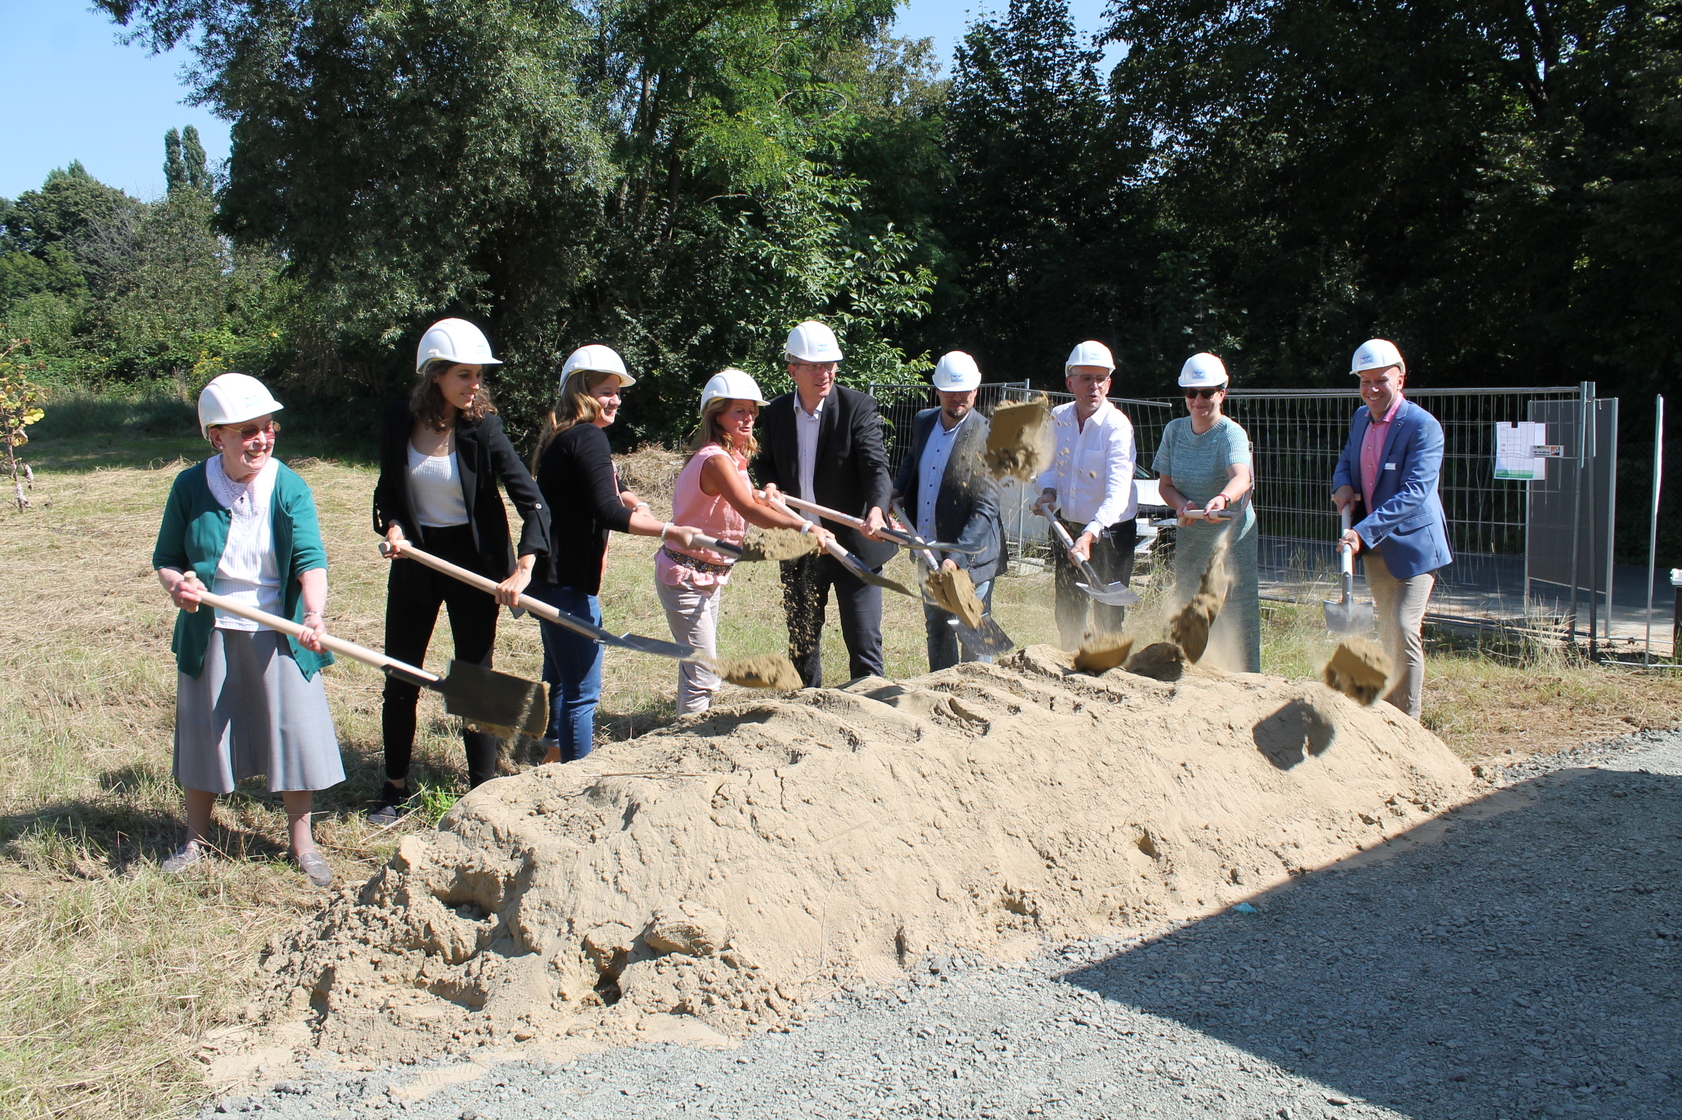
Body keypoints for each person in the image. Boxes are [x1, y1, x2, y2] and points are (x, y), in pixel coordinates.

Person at [151, 373, 342, 886]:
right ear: (217, 437)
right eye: (246, 431)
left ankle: (302, 844)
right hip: (209, 627)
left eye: (267, 427)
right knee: (204, 736)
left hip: (277, 627)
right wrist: (178, 586)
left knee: (294, 733)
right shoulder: (190, 486)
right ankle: (196, 838)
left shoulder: (288, 485)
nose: (261, 439)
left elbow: (310, 558)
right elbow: (167, 558)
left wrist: (312, 615)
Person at [369, 318, 549, 822]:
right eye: (464, 375)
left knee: (475, 677)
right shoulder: (395, 421)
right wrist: (395, 528)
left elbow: (531, 502)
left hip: (475, 566)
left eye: (478, 376)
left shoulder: (482, 428)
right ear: (434, 376)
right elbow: (388, 493)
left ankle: (481, 790)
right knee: (400, 674)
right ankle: (393, 787)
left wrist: (524, 566)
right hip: (417, 561)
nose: (475, 386)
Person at [529, 344, 702, 760]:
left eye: (618, 391)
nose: (616, 399)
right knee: (582, 692)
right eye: (606, 390)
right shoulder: (588, 437)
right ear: (580, 391)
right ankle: (576, 779)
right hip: (568, 582)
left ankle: (551, 749)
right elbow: (604, 509)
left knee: (558, 672)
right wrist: (668, 530)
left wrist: (632, 498)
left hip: (548, 579)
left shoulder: (561, 436)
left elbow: (605, 487)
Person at [657, 369, 835, 713]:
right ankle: (688, 744)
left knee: (697, 664)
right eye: (738, 411)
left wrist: (765, 492)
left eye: (752, 410)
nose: (749, 418)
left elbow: (749, 498)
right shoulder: (715, 459)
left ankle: (686, 729)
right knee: (703, 672)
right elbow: (749, 511)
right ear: (716, 414)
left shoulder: (732, 459)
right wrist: (804, 529)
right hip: (686, 578)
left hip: (708, 573)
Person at [754, 320, 895, 687]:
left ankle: (869, 712)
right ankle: (804, 715)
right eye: (815, 366)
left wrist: (877, 509)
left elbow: (875, 465)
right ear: (793, 370)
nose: (825, 373)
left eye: (830, 365)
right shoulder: (775, 413)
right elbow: (765, 461)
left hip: (853, 544)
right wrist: (769, 483)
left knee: (864, 640)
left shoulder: (856, 407)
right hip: (800, 541)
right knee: (803, 639)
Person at [1332, 339, 1452, 718]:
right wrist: (1342, 485)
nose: (1372, 389)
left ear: (1400, 378)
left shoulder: (1422, 426)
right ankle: (1386, 713)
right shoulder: (1360, 418)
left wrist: (1362, 532)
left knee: (1402, 628)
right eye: (1364, 381)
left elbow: (1416, 492)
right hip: (1375, 547)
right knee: (1387, 631)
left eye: (1380, 380)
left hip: (1414, 545)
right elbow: (1347, 458)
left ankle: (1410, 725)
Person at [891, 351, 1003, 671]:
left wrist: (957, 557)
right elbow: (913, 459)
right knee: (937, 627)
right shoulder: (924, 420)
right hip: (929, 547)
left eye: (965, 391)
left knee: (973, 628)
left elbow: (986, 508)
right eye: (950, 391)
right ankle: (938, 690)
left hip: (970, 555)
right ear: (937, 390)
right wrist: (897, 489)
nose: (958, 398)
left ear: (976, 391)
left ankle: (980, 691)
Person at [1153, 353, 1261, 672]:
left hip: (1231, 538)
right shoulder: (1174, 431)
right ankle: (1196, 677)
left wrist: (1222, 499)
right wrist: (1182, 505)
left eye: (1207, 393)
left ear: (1222, 393)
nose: (1198, 400)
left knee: (1236, 615)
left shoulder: (1230, 434)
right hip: (1193, 536)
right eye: (1191, 393)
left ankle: (1246, 682)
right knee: (1192, 611)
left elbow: (1242, 476)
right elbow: (1165, 485)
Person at [1034, 340, 1140, 648]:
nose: (1094, 386)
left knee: (1108, 615)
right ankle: (1070, 663)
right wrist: (1050, 492)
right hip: (1069, 528)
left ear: (1109, 383)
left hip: (1111, 533)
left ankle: (1106, 674)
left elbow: (1118, 493)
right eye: (1086, 378)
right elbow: (1049, 464)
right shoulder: (1059, 417)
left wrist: (1090, 534)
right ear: (1070, 382)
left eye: (1100, 378)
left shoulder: (1116, 427)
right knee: (1068, 608)